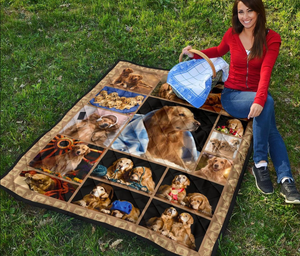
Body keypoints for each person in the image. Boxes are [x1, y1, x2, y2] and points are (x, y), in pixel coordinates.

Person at [182, 0, 300, 204]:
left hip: (255, 92)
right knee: (268, 108)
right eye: (240, 12)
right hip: (233, 95)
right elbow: (218, 51)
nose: (245, 16)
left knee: (269, 121)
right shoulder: (232, 34)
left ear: (259, 12)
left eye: (250, 11)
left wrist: (259, 99)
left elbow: (266, 71)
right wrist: (195, 55)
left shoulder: (272, 39)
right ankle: (262, 164)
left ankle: (285, 178)